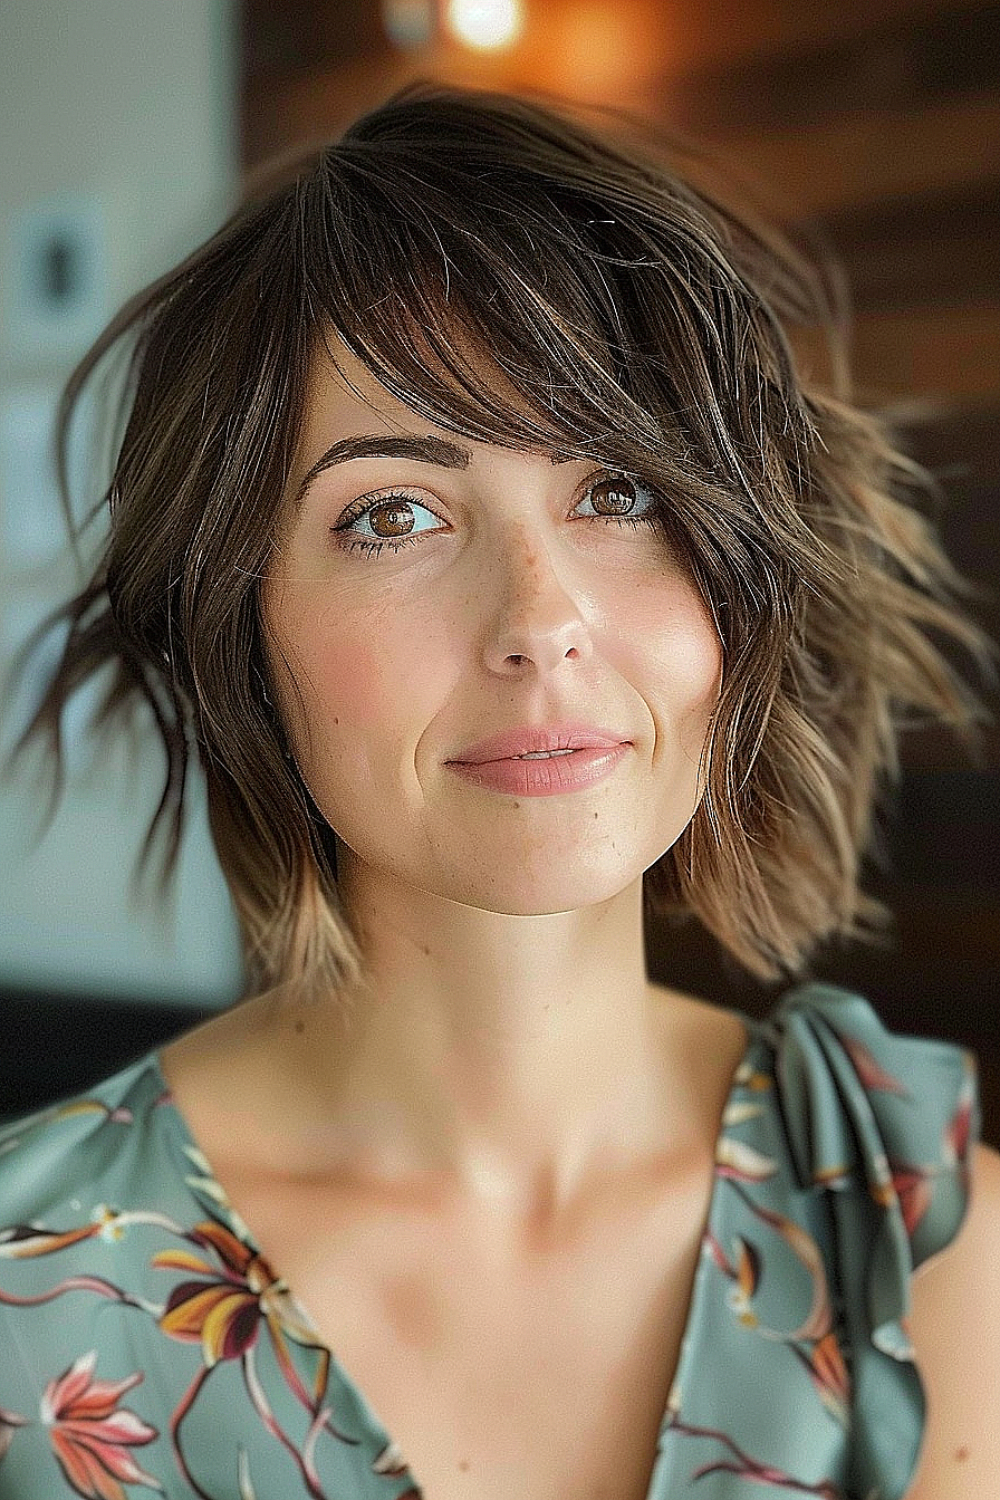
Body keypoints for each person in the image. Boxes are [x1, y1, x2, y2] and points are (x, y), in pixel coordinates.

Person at [0, 82, 998, 1500]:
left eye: (621, 490)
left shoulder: (915, 1236)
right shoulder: (32, 1305)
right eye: (392, 514)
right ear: (241, 635)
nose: (541, 615)